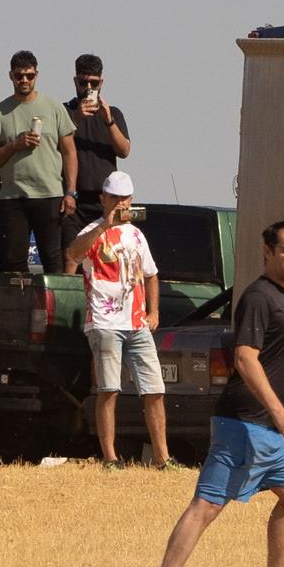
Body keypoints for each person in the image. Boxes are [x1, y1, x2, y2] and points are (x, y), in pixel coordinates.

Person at [147, 221, 284, 567]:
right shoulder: (259, 296)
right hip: (246, 423)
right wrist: (278, 411)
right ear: (267, 252)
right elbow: (244, 358)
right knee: (206, 505)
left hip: (265, 429)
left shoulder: (283, 297)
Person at [67, 173, 174, 471]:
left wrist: (154, 313)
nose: (121, 203)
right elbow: (73, 255)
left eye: (125, 198)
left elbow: (151, 274)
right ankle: (110, 457)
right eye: (114, 197)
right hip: (104, 321)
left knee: (155, 389)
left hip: (137, 321)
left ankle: (163, 457)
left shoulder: (137, 235)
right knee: (109, 389)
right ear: (103, 199)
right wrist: (104, 224)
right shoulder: (92, 230)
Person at [0, 51, 77, 274]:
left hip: (49, 195)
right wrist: (14, 145)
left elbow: (69, 152)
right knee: (14, 263)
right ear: (10, 76)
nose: (24, 80)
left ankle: (54, 308)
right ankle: (19, 307)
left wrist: (71, 192)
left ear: (37, 75)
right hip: (13, 197)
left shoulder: (54, 108)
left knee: (53, 259)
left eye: (29, 75)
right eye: (19, 76)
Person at [61, 53, 132, 251]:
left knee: (107, 254)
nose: (89, 89)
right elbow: (54, 145)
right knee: (71, 256)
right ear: (76, 81)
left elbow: (124, 150)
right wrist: (76, 118)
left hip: (106, 201)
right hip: (74, 201)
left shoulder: (113, 113)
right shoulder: (64, 112)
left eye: (94, 83)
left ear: (101, 82)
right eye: (84, 83)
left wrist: (108, 120)